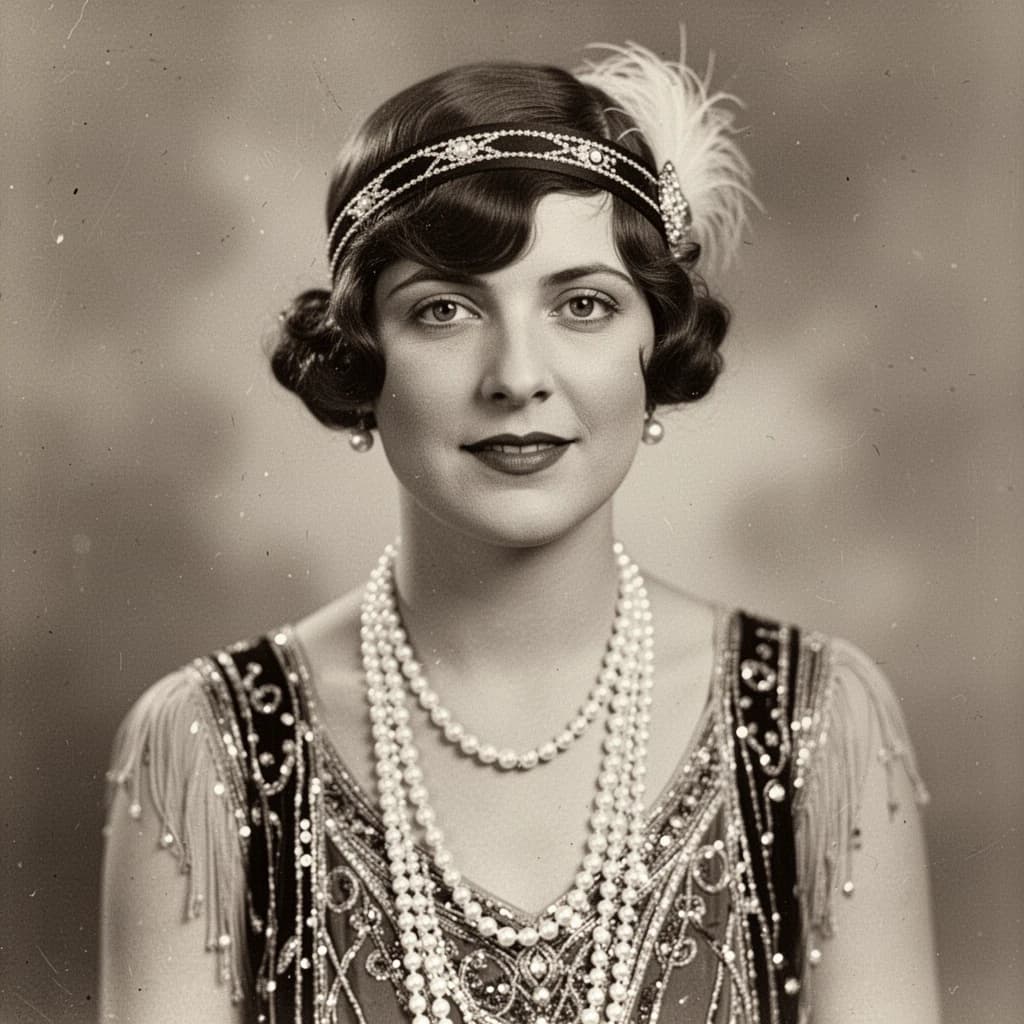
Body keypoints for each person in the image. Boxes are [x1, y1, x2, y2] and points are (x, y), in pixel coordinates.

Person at [100, 40, 940, 1024]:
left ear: (651, 347)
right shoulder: (208, 744)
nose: (517, 375)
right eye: (444, 309)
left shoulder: (815, 721)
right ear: (363, 357)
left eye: (582, 304)